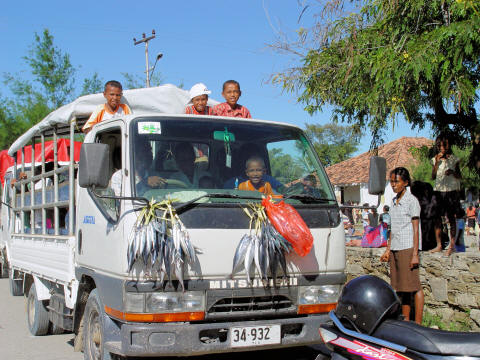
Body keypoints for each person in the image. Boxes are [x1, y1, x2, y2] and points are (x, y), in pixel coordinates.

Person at [380, 167, 424, 325]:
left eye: (396, 181)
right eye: (391, 181)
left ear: (405, 182)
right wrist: (388, 249)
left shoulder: (412, 201)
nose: (393, 185)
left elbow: (415, 228)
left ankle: (418, 323)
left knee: (414, 286)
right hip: (396, 246)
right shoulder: (393, 202)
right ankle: (405, 320)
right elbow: (392, 228)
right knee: (401, 287)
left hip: (407, 246)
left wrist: (415, 253)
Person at [431, 132, 462, 255]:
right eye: (439, 146)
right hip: (438, 190)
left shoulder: (454, 159)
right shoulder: (435, 159)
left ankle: (452, 245)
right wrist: (436, 164)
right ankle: (439, 245)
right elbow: (433, 176)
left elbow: (460, 176)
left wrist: (453, 172)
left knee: (451, 218)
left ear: (448, 145)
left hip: (451, 191)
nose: (441, 148)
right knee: (437, 218)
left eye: (444, 146)